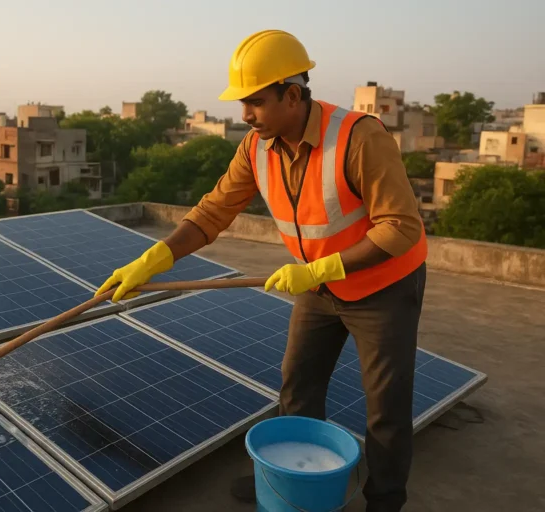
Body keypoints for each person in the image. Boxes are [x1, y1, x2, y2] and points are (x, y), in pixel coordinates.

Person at [95, 29, 428, 512]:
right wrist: (154, 258)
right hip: (316, 284)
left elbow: (400, 228)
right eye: (242, 104)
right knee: (298, 384)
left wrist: (320, 270)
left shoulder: (359, 138)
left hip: (382, 288)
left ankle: (385, 500)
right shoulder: (256, 148)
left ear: (292, 95)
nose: (245, 115)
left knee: (386, 406)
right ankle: (286, 481)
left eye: (255, 102)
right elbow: (212, 212)